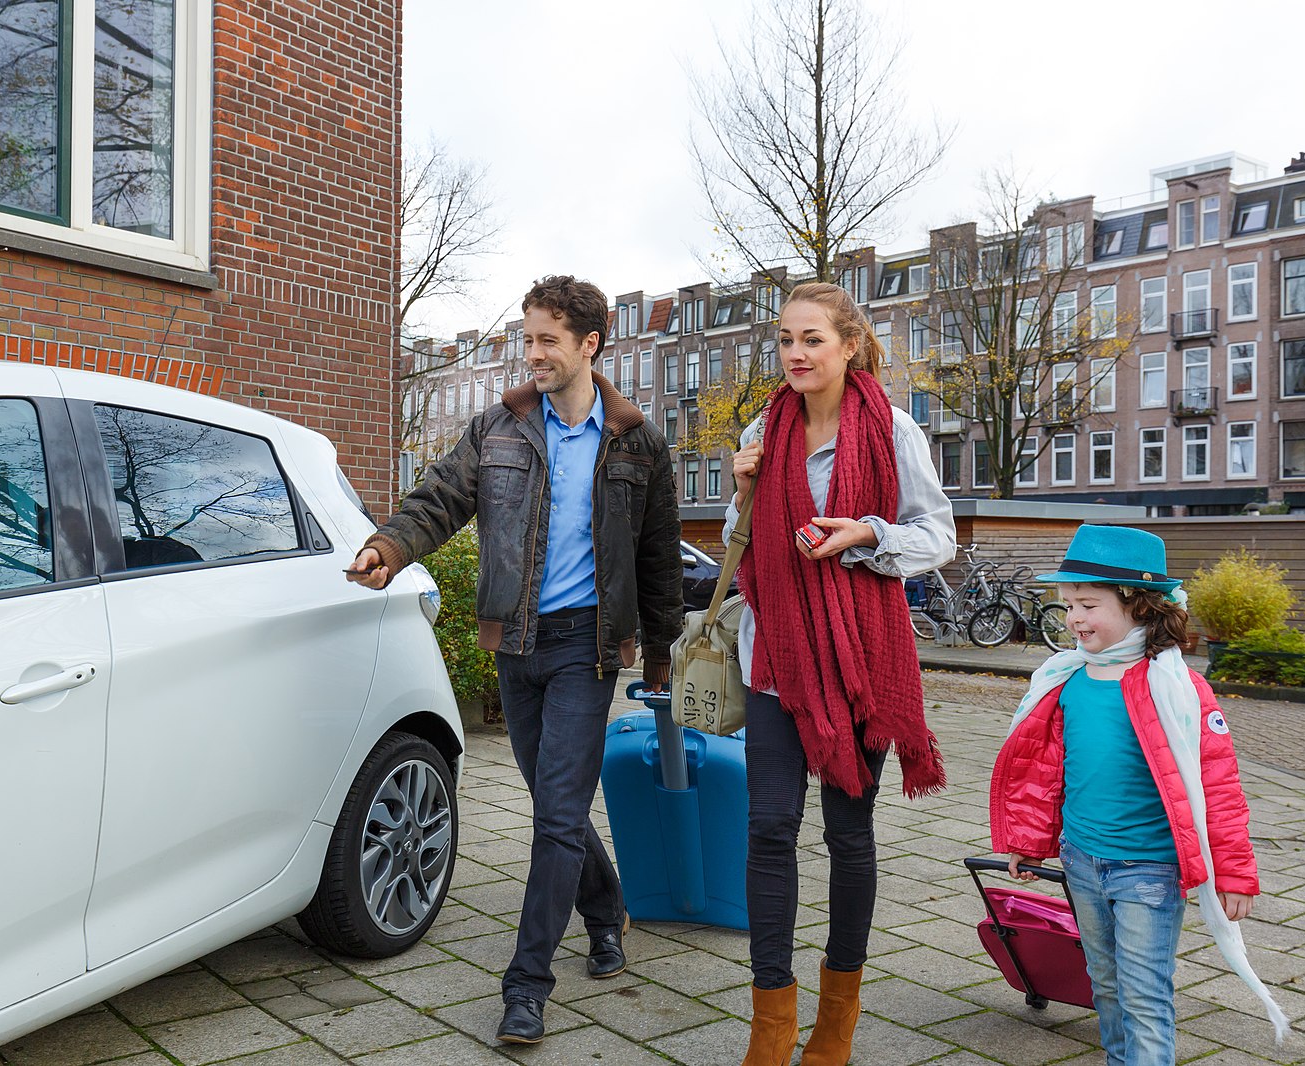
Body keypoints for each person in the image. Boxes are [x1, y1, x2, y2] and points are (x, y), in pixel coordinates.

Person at [348, 275, 684, 1045]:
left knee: (558, 816)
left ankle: (525, 986)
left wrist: (660, 658)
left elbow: (659, 560)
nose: (530, 354)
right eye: (525, 338)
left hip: (587, 651)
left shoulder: (637, 442)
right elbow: (438, 500)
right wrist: (388, 548)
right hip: (516, 645)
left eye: (546, 340)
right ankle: (605, 914)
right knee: (553, 807)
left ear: (588, 345)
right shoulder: (497, 430)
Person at [727, 282, 955, 1066]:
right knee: (766, 830)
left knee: (848, 837)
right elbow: (742, 542)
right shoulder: (764, 426)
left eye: (812, 339)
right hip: (775, 663)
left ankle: (835, 1025)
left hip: (860, 665)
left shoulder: (891, 429)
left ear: (849, 345)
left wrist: (866, 534)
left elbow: (937, 537)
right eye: (786, 339)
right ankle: (770, 1026)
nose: (795, 353)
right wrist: (743, 486)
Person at [990, 524, 1289, 1064]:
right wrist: (1029, 840)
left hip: (1148, 870)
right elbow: (1045, 774)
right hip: (1081, 859)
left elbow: (1218, 787)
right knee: (1104, 985)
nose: (1074, 617)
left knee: (1145, 995)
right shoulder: (1066, 680)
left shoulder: (1176, 688)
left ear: (1140, 605)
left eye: (1087, 604)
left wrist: (1236, 872)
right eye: (1068, 605)